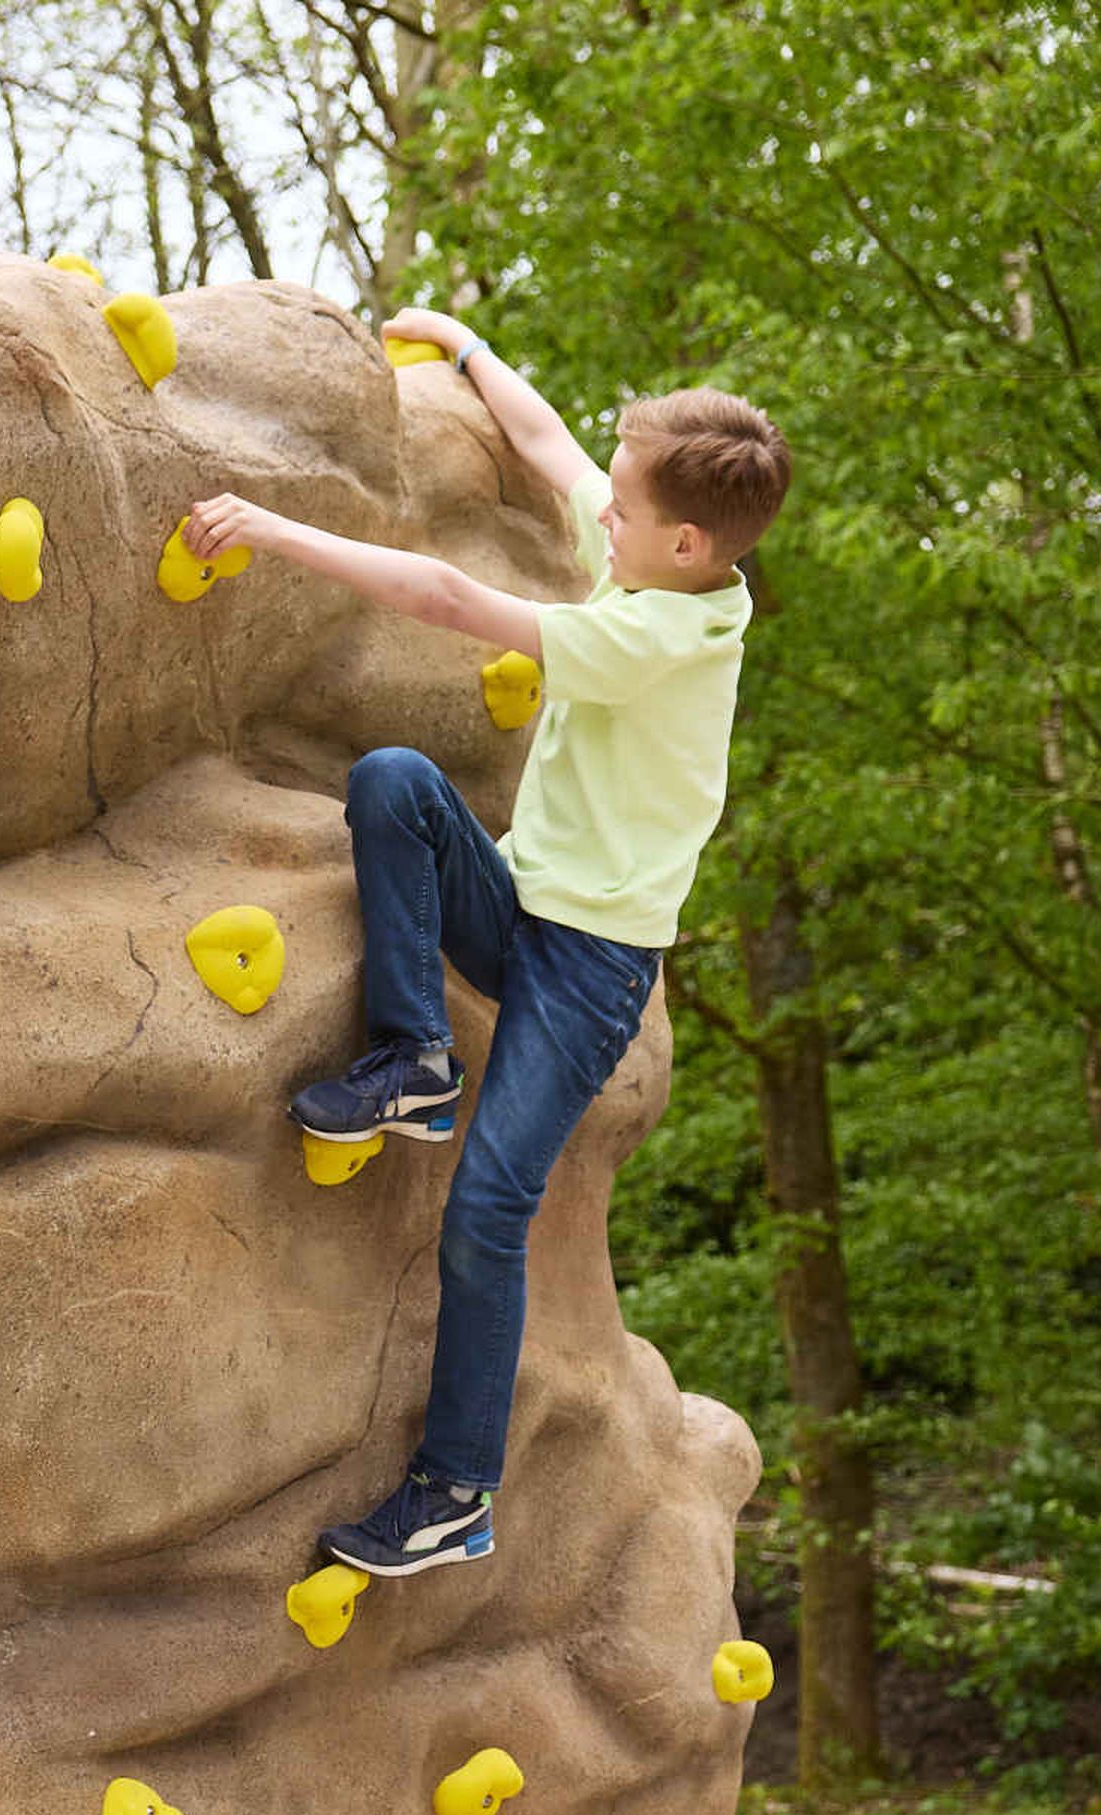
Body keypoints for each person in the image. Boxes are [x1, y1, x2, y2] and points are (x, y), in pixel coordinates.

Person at [184, 314, 787, 1579]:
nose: (597, 521)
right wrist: (465, 349)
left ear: (684, 543)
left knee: (488, 1211)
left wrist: (274, 532)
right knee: (396, 782)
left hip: (588, 973)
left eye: (620, 515)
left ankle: (454, 1490)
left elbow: (451, 598)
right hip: (519, 904)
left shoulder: (656, 639)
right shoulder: (658, 567)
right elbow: (555, 445)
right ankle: (412, 1055)